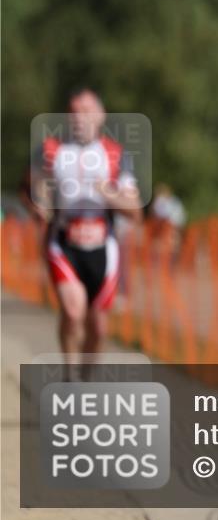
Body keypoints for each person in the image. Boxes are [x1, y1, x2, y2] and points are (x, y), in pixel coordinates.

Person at [22, 88, 142, 369]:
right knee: (73, 312)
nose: (79, 118)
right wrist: (38, 204)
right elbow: (29, 188)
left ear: (101, 116)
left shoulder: (115, 155)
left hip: (102, 245)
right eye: (74, 112)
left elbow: (135, 210)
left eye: (87, 111)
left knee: (98, 327)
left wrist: (107, 193)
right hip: (64, 242)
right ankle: (70, 376)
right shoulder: (51, 150)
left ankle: (86, 374)